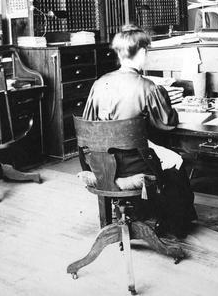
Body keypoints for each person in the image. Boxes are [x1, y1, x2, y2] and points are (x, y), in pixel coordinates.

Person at [82, 24, 197, 236]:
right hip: (133, 163)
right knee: (175, 161)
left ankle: (143, 211)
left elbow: (88, 126)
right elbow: (167, 123)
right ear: (143, 53)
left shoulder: (99, 84)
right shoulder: (147, 86)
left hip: (100, 163)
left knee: (159, 154)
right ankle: (176, 224)